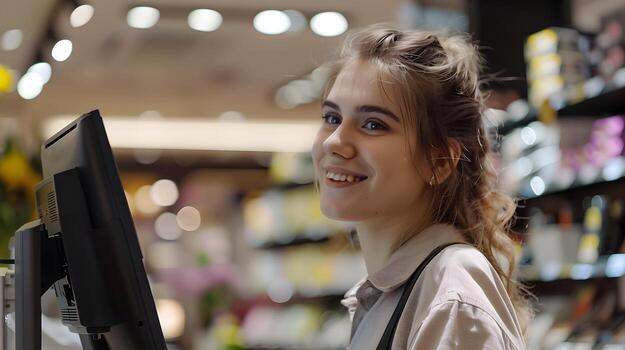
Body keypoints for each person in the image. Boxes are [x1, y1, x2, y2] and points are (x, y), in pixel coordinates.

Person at [311, 24, 532, 349]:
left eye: (373, 124)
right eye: (331, 118)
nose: (335, 142)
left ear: (440, 161)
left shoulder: (451, 298)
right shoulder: (392, 292)